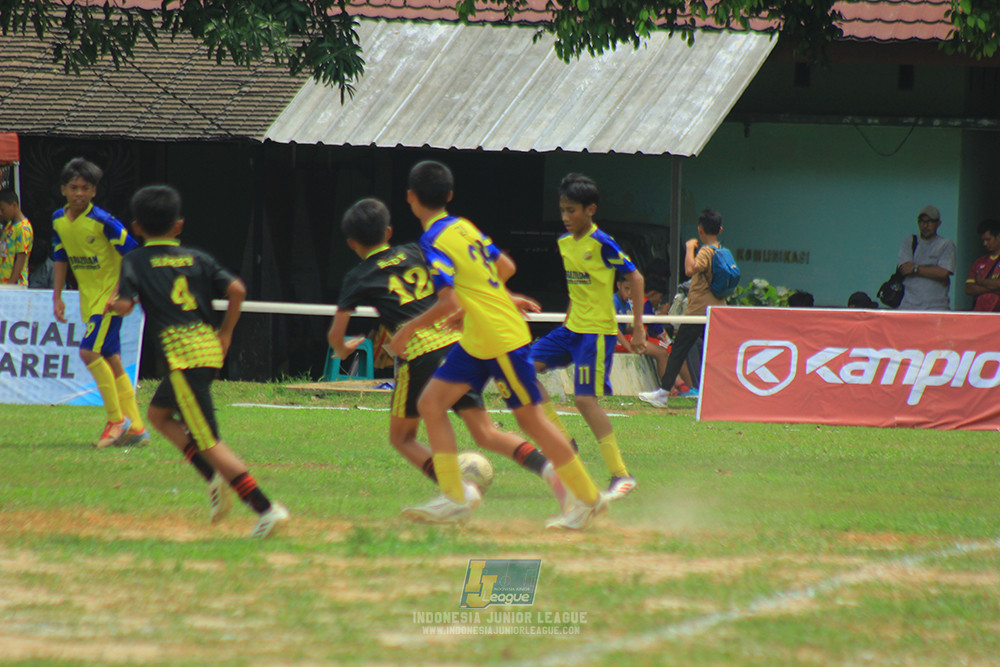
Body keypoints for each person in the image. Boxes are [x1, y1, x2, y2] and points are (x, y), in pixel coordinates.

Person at [390, 160, 608, 529]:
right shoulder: (462, 226)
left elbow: (445, 301)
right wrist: (487, 302)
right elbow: (504, 267)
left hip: (497, 337)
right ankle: (454, 497)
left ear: (410, 198)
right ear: (450, 196)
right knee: (431, 402)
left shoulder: (431, 240)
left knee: (532, 420)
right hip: (481, 336)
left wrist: (407, 330)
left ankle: (589, 498)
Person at [327, 197, 567, 509]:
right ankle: (551, 471)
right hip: (457, 346)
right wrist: (508, 297)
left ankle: (456, 493)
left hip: (421, 354)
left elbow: (336, 333)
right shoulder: (416, 251)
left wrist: (342, 348)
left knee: (402, 437)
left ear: (352, 243)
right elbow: (467, 280)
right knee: (485, 432)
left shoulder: (357, 277)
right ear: (388, 231)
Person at [110, 184, 289, 538]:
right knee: (159, 416)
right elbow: (237, 289)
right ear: (178, 225)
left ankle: (265, 508)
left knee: (209, 441)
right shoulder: (197, 258)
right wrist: (226, 334)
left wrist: (111, 305)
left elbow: (126, 306)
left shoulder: (135, 260)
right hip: (207, 348)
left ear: (137, 228)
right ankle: (213, 479)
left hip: (183, 357)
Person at [530, 173, 643, 501]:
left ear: (590, 210)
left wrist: (637, 327)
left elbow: (635, 277)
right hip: (570, 329)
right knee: (522, 369)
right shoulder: (564, 243)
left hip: (594, 335)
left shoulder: (602, 243)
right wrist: (567, 321)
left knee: (583, 400)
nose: (565, 217)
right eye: (562, 210)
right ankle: (562, 443)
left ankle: (621, 475)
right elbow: (576, 289)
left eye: (572, 211)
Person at [51, 158, 149, 448]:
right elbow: (60, 257)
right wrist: (56, 296)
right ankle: (138, 429)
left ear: (94, 192)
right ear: (63, 190)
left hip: (108, 300)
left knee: (88, 353)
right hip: (88, 298)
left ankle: (116, 421)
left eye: (85, 188)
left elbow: (132, 254)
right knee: (111, 358)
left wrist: (119, 291)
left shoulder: (104, 221)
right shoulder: (58, 219)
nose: (79, 193)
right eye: (74, 187)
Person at [638, 208, 727, 409]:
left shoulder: (706, 250)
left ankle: (662, 394)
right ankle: (723, 394)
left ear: (700, 229)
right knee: (716, 351)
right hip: (717, 309)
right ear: (720, 229)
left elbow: (689, 269)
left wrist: (689, 248)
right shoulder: (721, 250)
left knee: (678, 350)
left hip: (698, 312)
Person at [897, 205, 956, 311]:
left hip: (937, 307)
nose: (925, 225)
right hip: (909, 305)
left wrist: (915, 269)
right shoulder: (910, 241)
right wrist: (932, 269)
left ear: (938, 224)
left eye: (930, 222)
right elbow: (905, 268)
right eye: (922, 221)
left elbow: (943, 272)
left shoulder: (946, 244)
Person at [964, 219, 1000, 312]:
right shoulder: (979, 262)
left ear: (998, 237)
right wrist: (993, 289)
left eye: (988, 240)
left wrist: (981, 281)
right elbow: (969, 289)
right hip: (980, 314)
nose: (985, 244)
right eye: (983, 240)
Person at [0, 189, 32, 286]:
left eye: (2, 210)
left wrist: (10, 285)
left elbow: (20, 259)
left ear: (14, 205)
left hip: (16, 284)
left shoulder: (23, 229)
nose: (1, 213)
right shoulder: (10, 225)